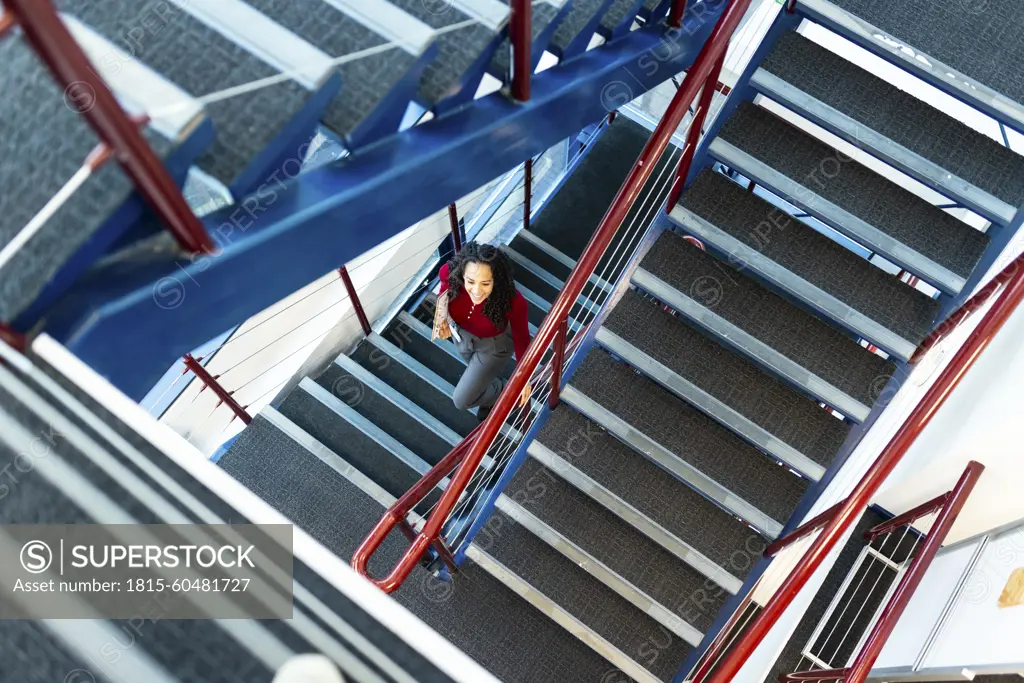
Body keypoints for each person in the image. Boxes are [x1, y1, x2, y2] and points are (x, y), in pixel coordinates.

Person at [437, 242, 532, 422]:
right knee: (479, 379)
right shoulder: (448, 273)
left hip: (493, 347)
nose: (477, 291)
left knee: (462, 400)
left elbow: (522, 338)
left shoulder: (513, 301)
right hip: (461, 336)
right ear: (461, 274)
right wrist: (442, 314)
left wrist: (523, 377)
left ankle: (502, 391)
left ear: (496, 280)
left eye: (485, 283)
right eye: (470, 281)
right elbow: (444, 288)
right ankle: (489, 391)